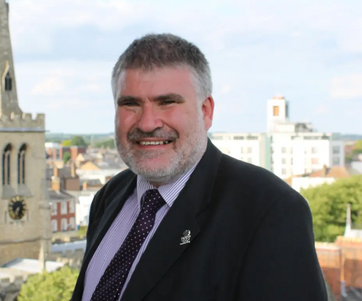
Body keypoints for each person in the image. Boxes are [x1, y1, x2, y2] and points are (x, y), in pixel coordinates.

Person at [71, 33, 327, 301]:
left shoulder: (269, 210)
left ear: (206, 110)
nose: (147, 123)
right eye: (131, 104)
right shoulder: (110, 196)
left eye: (167, 102)